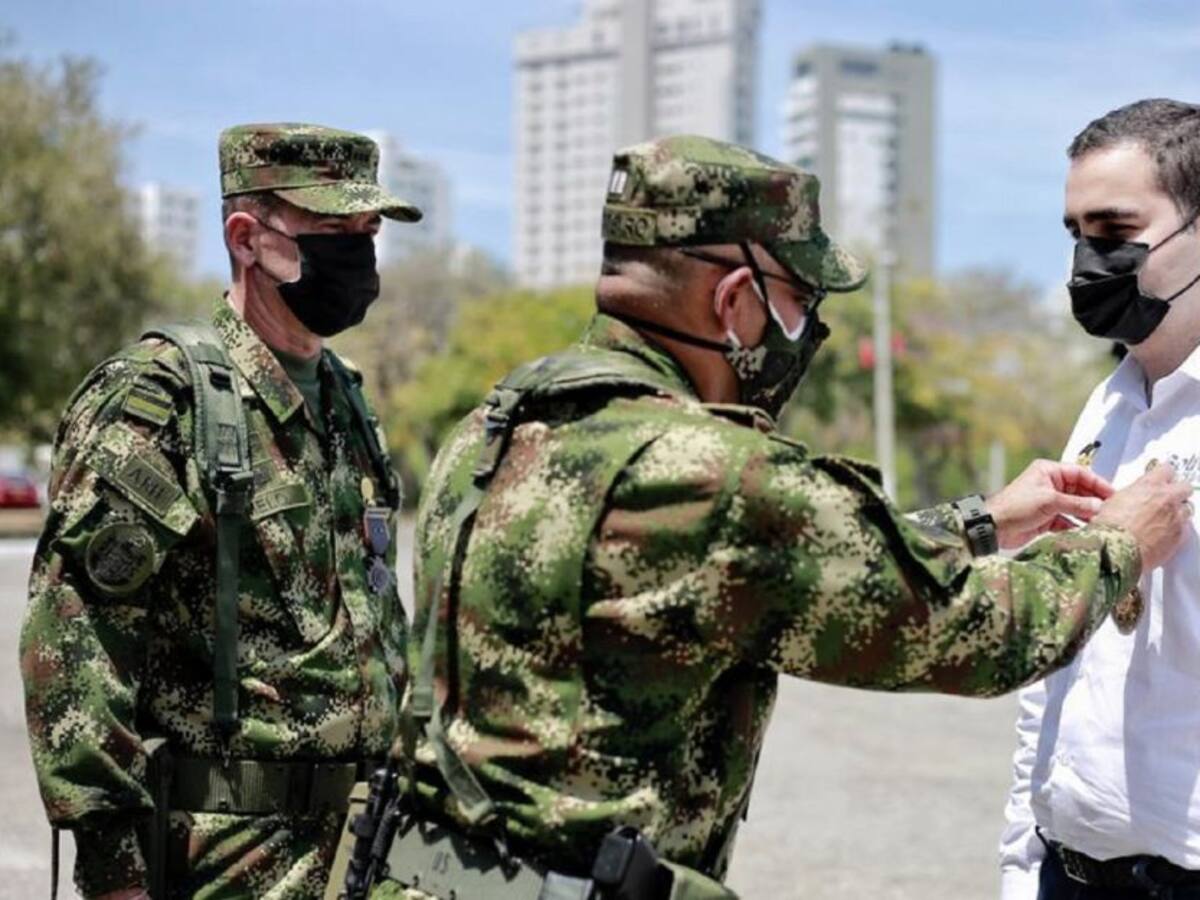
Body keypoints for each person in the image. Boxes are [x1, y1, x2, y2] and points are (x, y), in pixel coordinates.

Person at [335, 134, 1189, 900]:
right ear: (736, 299)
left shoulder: (504, 423)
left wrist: (979, 522)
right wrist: (1117, 544)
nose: (804, 330)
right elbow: (975, 631)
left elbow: (726, 569)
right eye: (799, 301)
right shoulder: (714, 471)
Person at [20, 123, 415, 900]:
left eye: (366, 231)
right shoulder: (158, 400)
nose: (358, 254)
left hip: (361, 858)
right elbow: (78, 649)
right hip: (226, 864)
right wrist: (115, 876)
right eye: (333, 229)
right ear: (247, 237)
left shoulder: (345, 399)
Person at [1001, 100, 1200, 899]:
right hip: (1071, 869)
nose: (1088, 261)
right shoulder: (1108, 407)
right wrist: (1023, 861)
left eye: (1115, 232)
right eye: (1075, 234)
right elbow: (1059, 668)